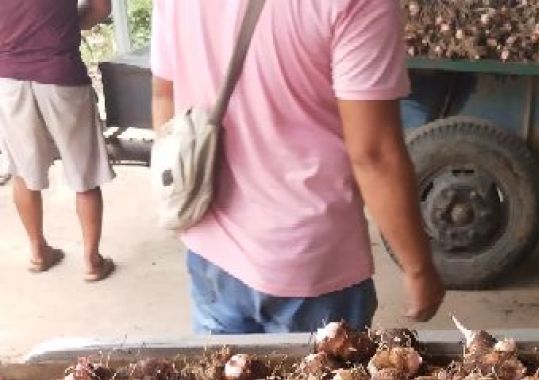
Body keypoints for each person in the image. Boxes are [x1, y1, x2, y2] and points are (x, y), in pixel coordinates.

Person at [151, 0, 445, 334]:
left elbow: (164, 97)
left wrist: (180, 194)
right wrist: (418, 268)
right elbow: (374, 154)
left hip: (210, 247)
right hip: (308, 259)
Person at [0, 0, 115, 280]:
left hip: (8, 77)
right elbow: (100, 7)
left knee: (23, 170)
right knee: (84, 170)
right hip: (60, 73)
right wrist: (61, 21)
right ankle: (91, 260)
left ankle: (38, 251)